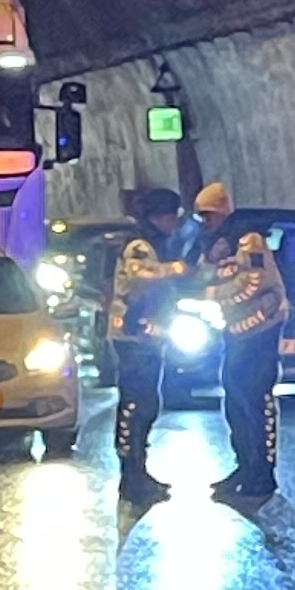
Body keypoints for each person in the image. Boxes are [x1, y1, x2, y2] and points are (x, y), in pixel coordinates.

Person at [197, 179, 290, 503]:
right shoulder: (216, 245)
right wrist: (210, 266)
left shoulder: (250, 242)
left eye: (208, 215)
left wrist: (211, 293)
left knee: (256, 400)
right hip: (236, 332)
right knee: (235, 400)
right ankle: (245, 465)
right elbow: (200, 275)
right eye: (200, 217)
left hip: (260, 331)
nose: (204, 222)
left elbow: (253, 282)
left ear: (222, 213)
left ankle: (262, 473)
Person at [107, 187, 193, 501]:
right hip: (133, 336)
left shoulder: (156, 243)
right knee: (135, 405)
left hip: (148, 335)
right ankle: (131, 475)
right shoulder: (139, 246)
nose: (174, 223)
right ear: (157, 217)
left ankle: (139, 471)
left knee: (147, 405)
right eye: (171, 216)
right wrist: (179, 268)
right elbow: (141, 275)